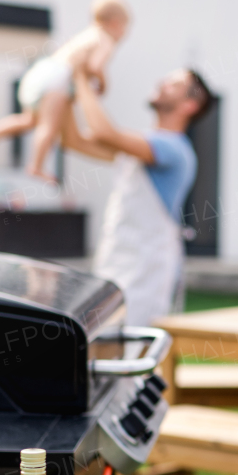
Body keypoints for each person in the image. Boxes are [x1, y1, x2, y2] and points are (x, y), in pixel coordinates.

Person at [63, 67, 212, 326]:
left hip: (146, 269)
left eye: (173, 83)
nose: (162, 83)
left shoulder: (174, 148)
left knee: (132, 348)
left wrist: (81, 78)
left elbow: (105, 133)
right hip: (117, 256)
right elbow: (73, 140)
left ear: (190, 105)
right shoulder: (140, 145)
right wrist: (63, 94)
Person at [0, 0, 130, 181]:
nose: (124, 34)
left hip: (43, 71)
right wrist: (103, 84)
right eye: (125, 28)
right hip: (58, 80)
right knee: (48, 126)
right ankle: (36, 166)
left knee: (30, 120)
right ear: (115, 23)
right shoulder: (105, 39)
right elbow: (95, 66)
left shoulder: (86, 34)